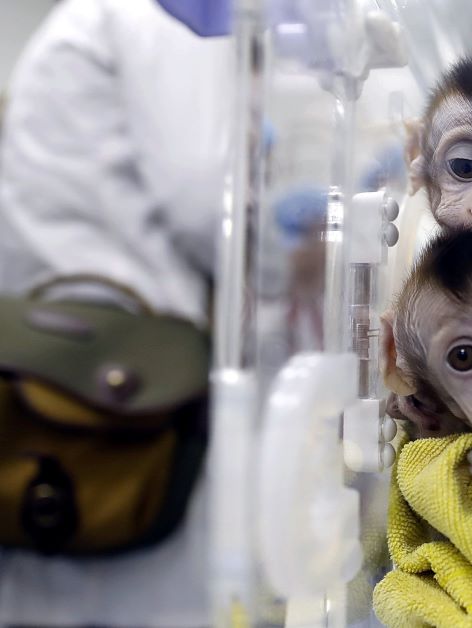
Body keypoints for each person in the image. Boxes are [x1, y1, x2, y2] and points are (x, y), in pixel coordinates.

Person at [0, 0, 231, 624]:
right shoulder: (146, 19)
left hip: (60, 356)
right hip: (127, 378)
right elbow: (211, 203)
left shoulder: (90, 20)